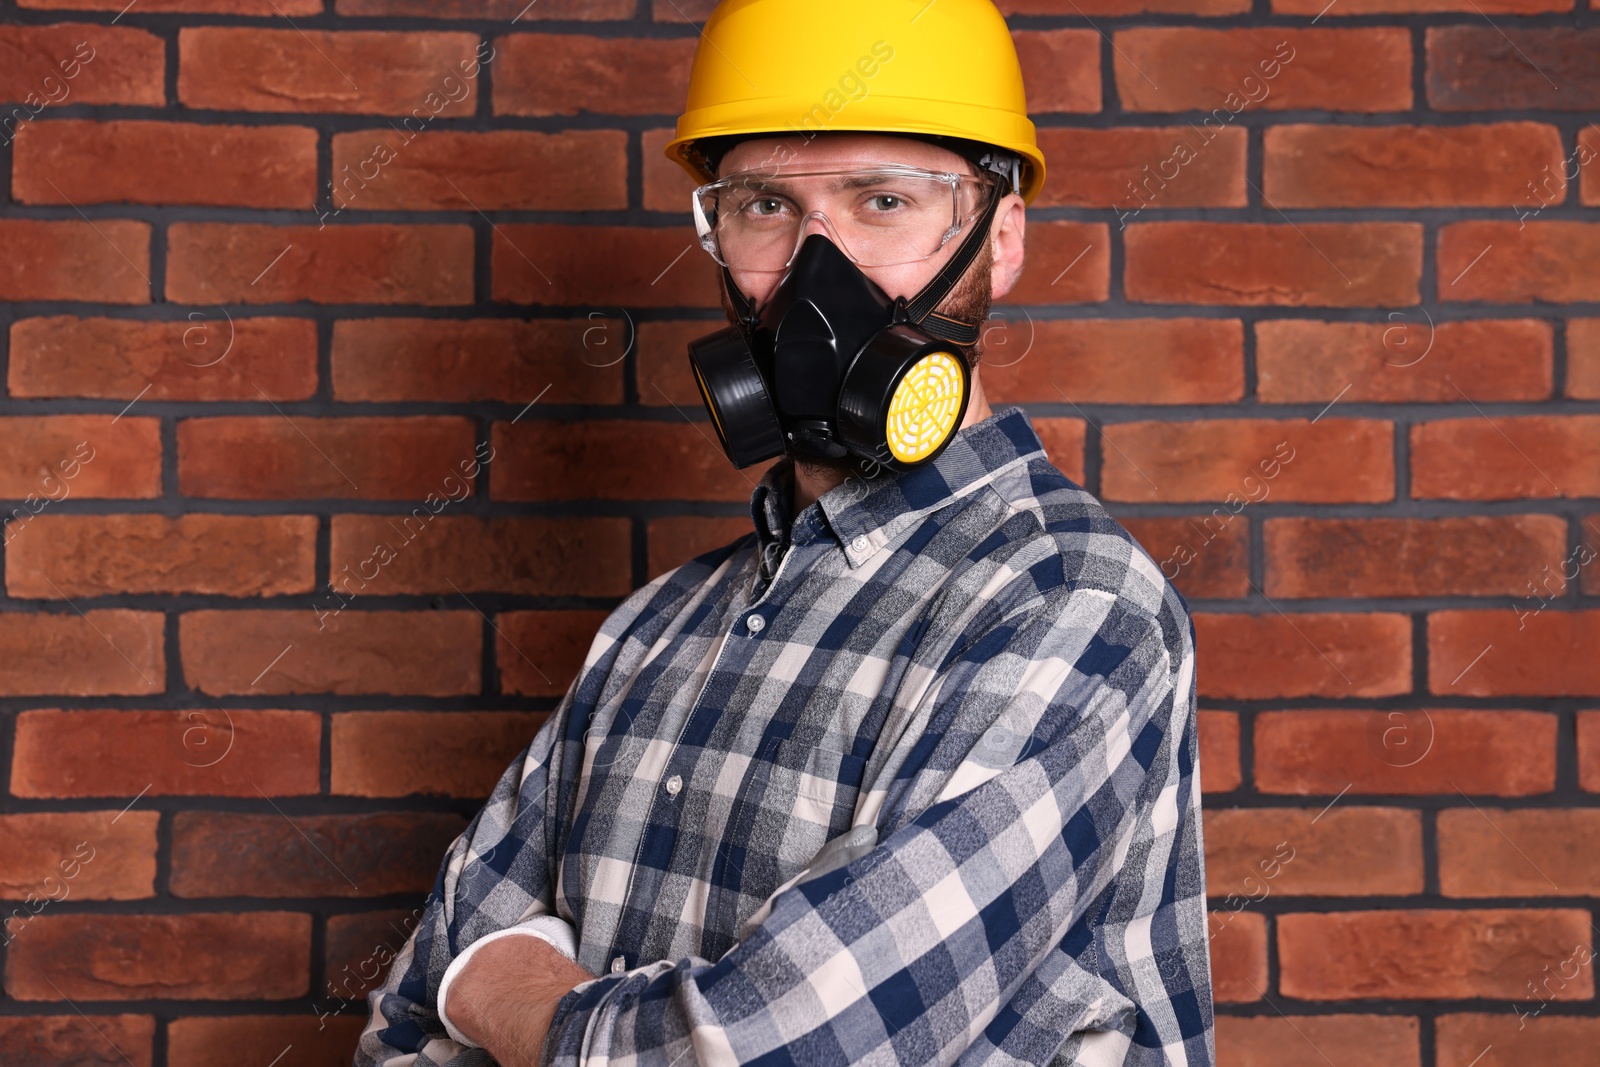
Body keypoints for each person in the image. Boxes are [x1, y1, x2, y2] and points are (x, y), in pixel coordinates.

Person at [354, 1, 1214, 1064]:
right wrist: (489, 991)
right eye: (765, 204)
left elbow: (774, 1049)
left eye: (885, 201)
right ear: (718, 234)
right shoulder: (654, 627)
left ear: (1000, 235)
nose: (820, 266)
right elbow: (406, 1015)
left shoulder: (1066, 604)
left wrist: (503, 990)